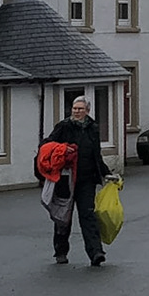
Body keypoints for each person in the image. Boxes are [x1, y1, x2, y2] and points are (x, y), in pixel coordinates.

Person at [40, 97, 110, 266]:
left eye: (80, 109)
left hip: (87, 180)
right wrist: (63, 149)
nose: (76, 111)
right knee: (64, 217)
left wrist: (106, 174)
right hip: (66, 180)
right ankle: (61, 251)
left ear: (87, 111)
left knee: (88, 216)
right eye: (74, 108)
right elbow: (46, 145)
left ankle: (96, 252)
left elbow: (96, 156)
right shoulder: (63, 126)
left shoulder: (93, 128)